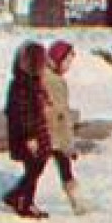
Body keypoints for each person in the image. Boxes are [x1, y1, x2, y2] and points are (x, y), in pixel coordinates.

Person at [1, 41, 53, 219]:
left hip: (37, 132)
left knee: (36, 167)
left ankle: (19, 197)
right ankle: (23, 201)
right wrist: (29, 136)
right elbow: (21, 113)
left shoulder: (33, 83)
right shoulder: (22, 85)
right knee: (33, 168)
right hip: (28, 135)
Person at [42, 40, 87, 214]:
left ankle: (77, 201)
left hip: (51, 132)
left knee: (62, 167)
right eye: (67, 61)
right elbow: (60, 115)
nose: (69, 66)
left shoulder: (50, 77)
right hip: (51, 133)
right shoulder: (53, 81)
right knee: (39, 168)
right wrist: (68, 143)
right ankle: (21, 196)